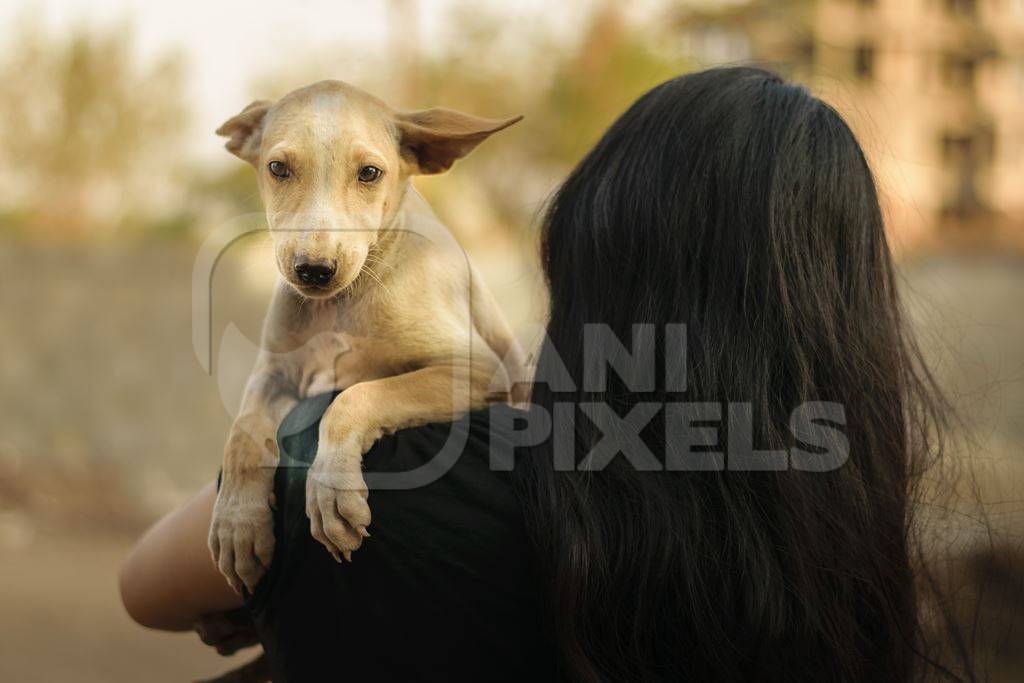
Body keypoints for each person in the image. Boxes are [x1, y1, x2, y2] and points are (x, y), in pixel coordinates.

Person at [120, 67, 961, 681]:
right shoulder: (845, 538)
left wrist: (275, 589)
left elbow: (145, 589)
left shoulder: (432, 462)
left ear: (589, 255)